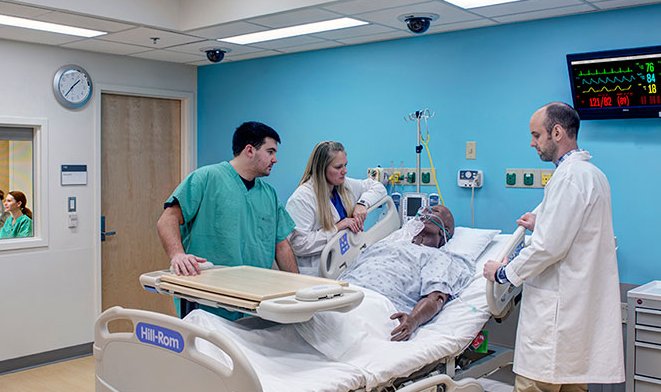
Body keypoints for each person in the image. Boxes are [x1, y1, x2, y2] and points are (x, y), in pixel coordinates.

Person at [482, 102, 623, 392]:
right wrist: (538, 219)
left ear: (558, 132)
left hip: (558, 315)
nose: (533, 143)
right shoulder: (590, 176)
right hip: (577, 312)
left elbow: (549, 249)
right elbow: (564, 227)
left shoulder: (569, 177)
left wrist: (503, 270)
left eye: (536, 135)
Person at [157, 121, 299, 281]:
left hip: (253, 291)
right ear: (250, 150)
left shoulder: (269, 194)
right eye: (270, 152)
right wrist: (178, 255)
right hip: (207, 290)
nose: (275, 159)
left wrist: (297, 285)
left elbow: (281, 246)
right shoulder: (206, 178)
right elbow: (167, 219)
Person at [340, 204, 468, 340]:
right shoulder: (386, 244)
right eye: (426, 209)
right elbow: (350, 270)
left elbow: (436, 297)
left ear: (444, 231)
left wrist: (414, 319)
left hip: (377, 303)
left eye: (434, 211)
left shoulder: (438, 257)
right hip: (344, 294)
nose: (425, 211)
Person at [286, 141, 386, 276]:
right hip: (319, 273)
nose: (345, 171)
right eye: (338, 167)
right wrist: (337, 227)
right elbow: (300, 245)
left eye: (345, 165)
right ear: (322, 169)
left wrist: (362, 204)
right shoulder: (302, 198)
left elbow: (378, 188)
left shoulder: (344, 186)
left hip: (346, 264)